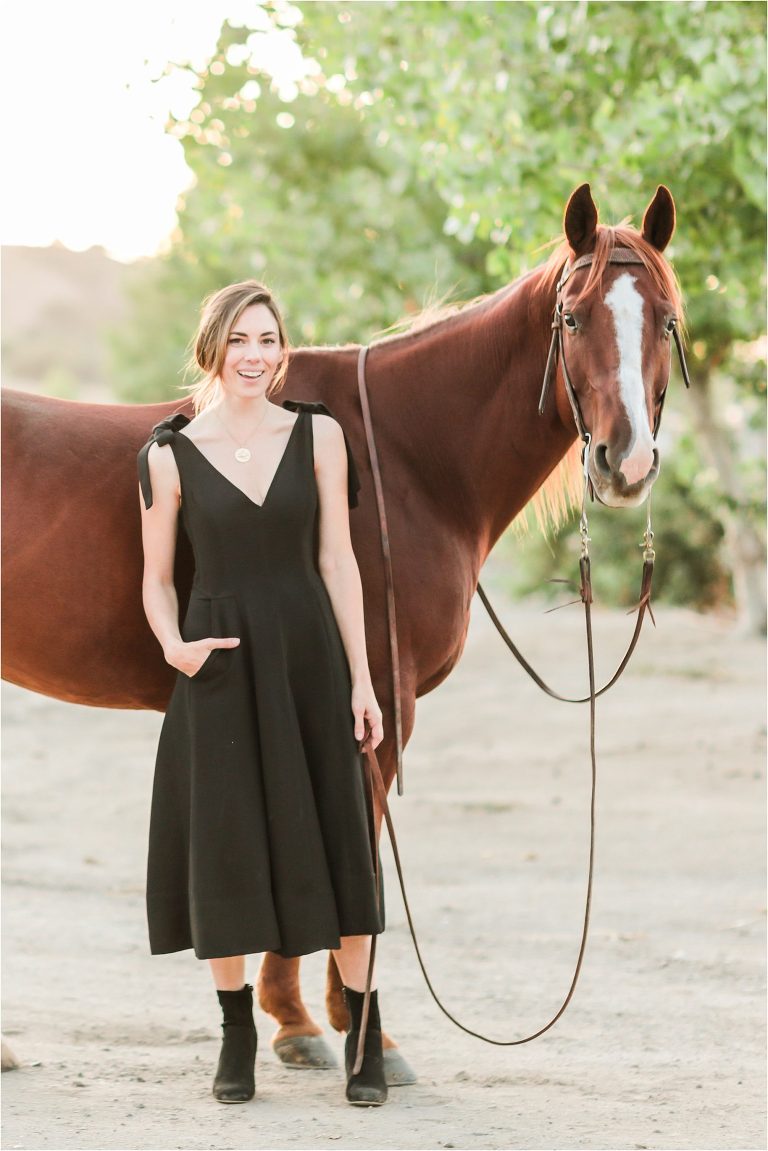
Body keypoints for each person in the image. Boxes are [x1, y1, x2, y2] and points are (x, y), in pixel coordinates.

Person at [136, 280, 387, 1107]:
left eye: (269, 340)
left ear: (282, 350)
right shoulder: (166, 453)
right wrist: (176, 647)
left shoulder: (319, 435)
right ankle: (236, 1033)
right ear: (213, 346)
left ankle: (362, 1033)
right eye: (241, 339)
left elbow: (337, 562)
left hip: (310, 661)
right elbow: (157, 578)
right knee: (227, 848)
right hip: (220, 670)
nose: (256, 355)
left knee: (341, 842)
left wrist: (360, 678)